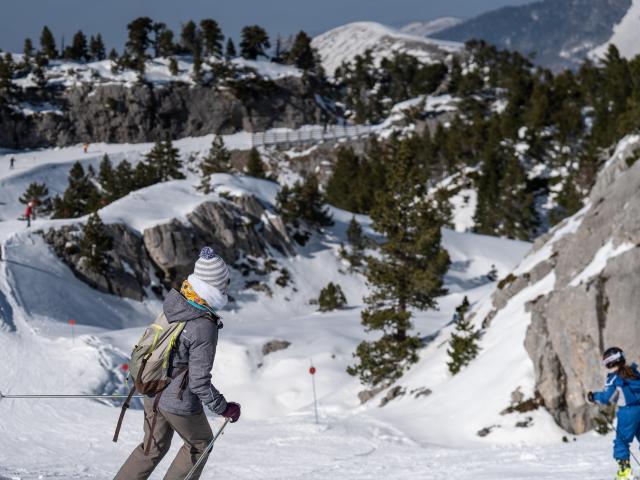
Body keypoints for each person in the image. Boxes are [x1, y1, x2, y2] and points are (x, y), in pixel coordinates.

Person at [114, 247, 241, 480]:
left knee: (151, 448)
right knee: (200, 445)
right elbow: (199, 382)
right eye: (223, 284)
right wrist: (224, 407)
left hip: (152, 388)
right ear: (214, 288)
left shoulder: (177, 302)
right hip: (178, 402)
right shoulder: (204, 324)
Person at [588, 347, 640, 480]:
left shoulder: (614, 377)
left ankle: (624, 472)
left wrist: (593, 397)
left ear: (610, 361)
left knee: (621, 441)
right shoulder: (634, 373)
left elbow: (607, 397)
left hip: (628, 412)